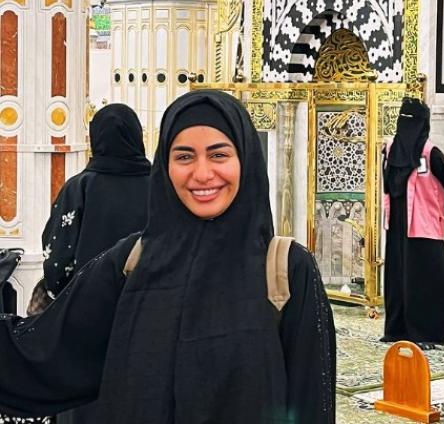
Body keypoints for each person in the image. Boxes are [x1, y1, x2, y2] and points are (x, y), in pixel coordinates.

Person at [0, 90, 336, 424]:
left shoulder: (286, 271)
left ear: (245, 161)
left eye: (219, 155)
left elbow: (310, 401)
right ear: (165, 165)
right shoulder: (132, 263)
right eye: (185, 156)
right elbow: (45, 353)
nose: (202, 174)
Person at [34, 103, 151, 424]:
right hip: (150, 318)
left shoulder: (80, 187)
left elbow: (57, 258)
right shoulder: (162, 186)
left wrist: (65, 295)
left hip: (88, 321)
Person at [382, 96, 444, 349]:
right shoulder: (389, 149)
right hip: (397, 226)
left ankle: (429, 331)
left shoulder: (430, 153)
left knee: (434, 278)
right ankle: (398, 330)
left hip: (423, 226)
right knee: (399, 279)